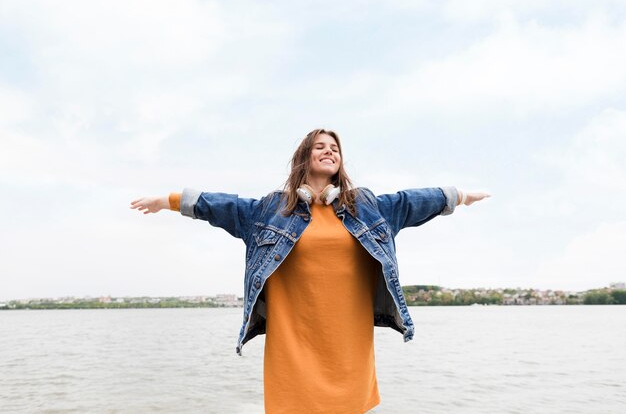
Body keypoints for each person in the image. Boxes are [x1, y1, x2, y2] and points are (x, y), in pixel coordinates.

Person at [130, 128, 490, 413]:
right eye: (320, 146)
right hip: (293, 348)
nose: (329, 150)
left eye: (334, 147)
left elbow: (412, 201)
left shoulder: (366, 206)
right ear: (305, 156)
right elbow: (220, 205)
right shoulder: (271, 211)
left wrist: (458, 195)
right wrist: (168, 201)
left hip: (347, 348)